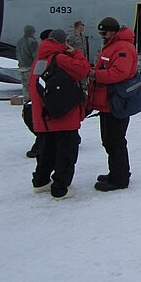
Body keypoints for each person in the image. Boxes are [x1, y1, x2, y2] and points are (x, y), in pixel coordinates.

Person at [29, 29, 90, 200]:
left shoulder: (39, 60)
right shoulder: (61, 58)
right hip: (63, 115)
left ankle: (40, 182)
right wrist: (76, 53)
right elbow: (83, 70)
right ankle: (60, 188)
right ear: (63, 42)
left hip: (43, 115)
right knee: (66, 153)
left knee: (46, 151)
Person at [87, 17, 138, 192]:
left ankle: (119, 178)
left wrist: (96, 75)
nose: (102, 35)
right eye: (100, 32)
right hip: (107, 101)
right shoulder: (112, 44)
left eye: (104, 32)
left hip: (116, 101)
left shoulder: (122, 46)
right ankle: (117, 172)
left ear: (113, 31)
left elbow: (120, 72)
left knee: (114, 140)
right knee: (109, 140)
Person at [16, 25, 38, 102]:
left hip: (21, 66)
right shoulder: (32, 42)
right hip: (30, 66)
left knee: (25, 85)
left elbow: (17, 54)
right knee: (32, 84)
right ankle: (33, 100)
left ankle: (27, 99)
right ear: (31, 32)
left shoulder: (19, 41)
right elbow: (35, 55)